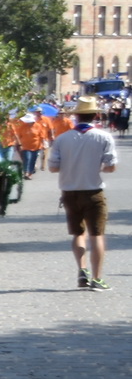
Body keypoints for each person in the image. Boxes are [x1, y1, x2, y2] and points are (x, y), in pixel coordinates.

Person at [48, 94, 116, 290]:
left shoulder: (62, 139)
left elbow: (53, 167)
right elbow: (111, 166)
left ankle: (82, 269)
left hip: (69, 191)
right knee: (97, 235)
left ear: (76, 116)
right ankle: (97, 278)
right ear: (95, 115)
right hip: (93, 190)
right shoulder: (104, 137)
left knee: (78, 233)